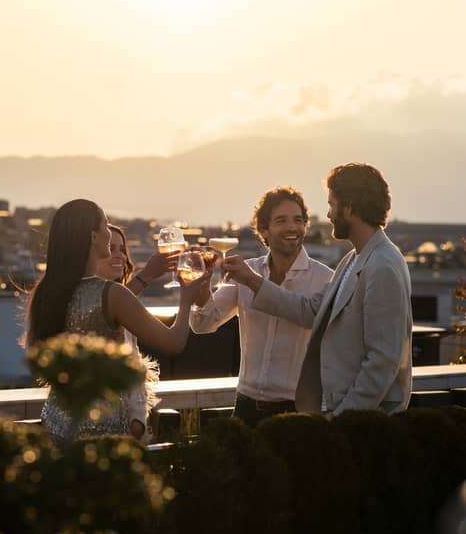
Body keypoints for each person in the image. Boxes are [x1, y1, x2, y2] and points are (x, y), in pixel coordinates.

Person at [224, 163, 412, 417]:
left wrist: (341, 418)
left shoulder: (382, 266)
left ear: (350, 207)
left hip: (363, 424)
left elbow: (383, 360)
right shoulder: (354, 260)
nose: (329, 213)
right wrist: (252, 280)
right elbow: (311, 310)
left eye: (332, 204)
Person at [27, 199, 206, 444]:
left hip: (56, 424)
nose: (109, 231)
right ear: (93, 237)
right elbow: (173, 343)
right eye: (106, 225)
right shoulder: (111, 293)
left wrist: (146, 276)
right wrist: (186, 298)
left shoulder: (46, 291)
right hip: (105, 429)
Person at [189, 186, 333, 427]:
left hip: (297, 411)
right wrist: (203, 285)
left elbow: (309, 317)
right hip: (245, 407)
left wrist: (252, 280)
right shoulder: (247, 269)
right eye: (281, 221)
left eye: (298, 220)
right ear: (264, 230)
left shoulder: (325, 278)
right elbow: (202, 324)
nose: (292, 227)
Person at [95, 224, 178, 442]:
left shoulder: (126, 312)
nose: (119, 255)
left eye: (122, 249)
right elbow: (100, 314)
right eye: (110, 248)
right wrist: (146, 276)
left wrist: (138, 422)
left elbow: (136, 370)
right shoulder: (80, 304)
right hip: (93, 431)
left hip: (126, 435)